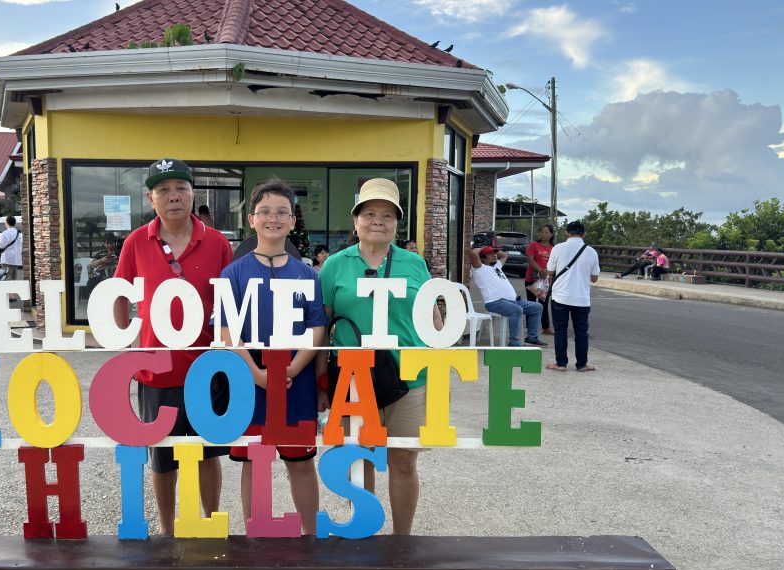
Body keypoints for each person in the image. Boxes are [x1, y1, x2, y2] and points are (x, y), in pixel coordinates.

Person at [112, 157, 233, 535]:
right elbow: (119, 293)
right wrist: (124, 335)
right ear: (151, 198)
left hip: (206, 367)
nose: (173, 196)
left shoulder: (216, 243)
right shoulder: (136, 241)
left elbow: (231, 300)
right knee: (162, 458)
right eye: (163, 189)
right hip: (155, 370)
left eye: (180, 187)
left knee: (207, 453)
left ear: (193, 193)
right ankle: (167, 531)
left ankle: (210, 522)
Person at [319, 177, 442, 535]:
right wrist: (321, 383)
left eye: (387, 215)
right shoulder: (334, 266)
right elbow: (321, 329)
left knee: (403, 460)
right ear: (355, 220)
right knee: (359, 461)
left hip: (410, 378)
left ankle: (402, 539)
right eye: (369, 213)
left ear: (396, 223)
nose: (378, 220)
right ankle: (364, 533)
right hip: (353, 380)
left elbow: (434, 321)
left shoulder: (414, 263)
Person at [217, 178, 327, 535]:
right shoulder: (233, 274)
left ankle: (310, 534)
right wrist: (255, 373)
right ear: (251, 219)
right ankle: (255, 532)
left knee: (301, 461)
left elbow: (317, 328)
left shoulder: (308, 275)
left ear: (293, 221)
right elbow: (226, 331)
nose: (273, 219)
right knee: (255, 461)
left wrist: (291, 368)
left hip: (297, 382)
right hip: (251, 383)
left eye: (282, 212)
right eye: (264, 212)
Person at [545, 220, 600, 372]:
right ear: (584, 234)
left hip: (560, 296)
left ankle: (561, 363)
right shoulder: (591, 251)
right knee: (581, 332)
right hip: (581, 298)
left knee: (561, 330)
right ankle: (582, 364)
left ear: (566, 233)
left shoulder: (558, 248)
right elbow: (594, 278)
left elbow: (549, 272)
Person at [469, 245, 546, 347]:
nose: (494, 255)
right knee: (517, 310)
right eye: (490, 254)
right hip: (495, 302)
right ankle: (514, 342)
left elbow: (504, 255)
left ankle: (532, 338)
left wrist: (491, 249)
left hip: (513, 301)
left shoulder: (496, 266)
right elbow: (473, 253)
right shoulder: (479, 268)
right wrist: (483, 248)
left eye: (494, 253)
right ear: (482, 258)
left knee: (537, 307)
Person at [524, 224, 555, 335]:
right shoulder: (534, 244)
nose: (543, 234)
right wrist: (541, 270)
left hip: (546, 280)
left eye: (546, 232)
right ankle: (529, 327)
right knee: (530, 303)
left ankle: (546, 327)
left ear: (551, 234)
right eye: (542, 232)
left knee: (544, 303)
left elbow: (555, 263)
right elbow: (530, 260)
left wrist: (546, 273)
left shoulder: (553, 248)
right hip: (532, 278)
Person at [0, 215, 22, 280]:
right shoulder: (19, 234)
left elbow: (1, 246)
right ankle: (14, 290)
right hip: (16, 259)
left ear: (6, 222)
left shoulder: (5, 233)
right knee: (14, 278)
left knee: (7, 278)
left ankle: (7, 290)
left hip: (7, 259)